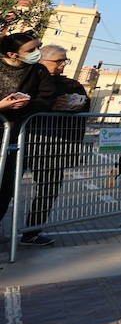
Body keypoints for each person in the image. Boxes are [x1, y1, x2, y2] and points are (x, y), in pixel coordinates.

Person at [20, 45, 90, 246]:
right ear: (42, 60)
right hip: (25, 140)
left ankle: (32, 232)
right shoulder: (28, 79)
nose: (62, 65)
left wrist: (76, 104)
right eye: (58, 60)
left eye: (64, 60)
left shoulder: (71, 84)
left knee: (48, 190)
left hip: (56, 145)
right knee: (7, 188)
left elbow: (85, 103)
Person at [0, 33, 59, 235]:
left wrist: (25, 105)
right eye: (31, 50)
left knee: (5, 185)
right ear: (12, 54)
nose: (37, 53)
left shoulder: (38, 71)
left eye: (38, 47)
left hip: (15, 136)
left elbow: (46, 98)